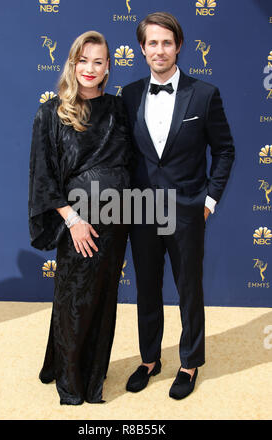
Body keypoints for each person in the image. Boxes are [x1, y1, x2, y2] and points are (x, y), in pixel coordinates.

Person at [122, 12, 235, 399]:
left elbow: (224, 150)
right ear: (142, 49)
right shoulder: (130, 94)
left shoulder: (204, 94)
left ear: (179, 46)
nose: (159, 50)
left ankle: (189, 363)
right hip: (141, 211)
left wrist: (208, 201)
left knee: (189, 289)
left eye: (166, 42)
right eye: (152, 43)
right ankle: (149, 359)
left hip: (186, 209)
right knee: (147, 289)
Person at [28, 31, 132, 405]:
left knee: (103, 299)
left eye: (98, 61)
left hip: (116, 221)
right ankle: (71, 385)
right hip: (79, 223)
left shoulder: (120, 108)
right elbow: (44, 176)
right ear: (72, 63)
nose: (90, 68)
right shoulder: (51, 112)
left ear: (108, 67)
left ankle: (93, 375)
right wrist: (72, 220)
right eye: (83, 60)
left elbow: (133, 162)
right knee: (74, 299)